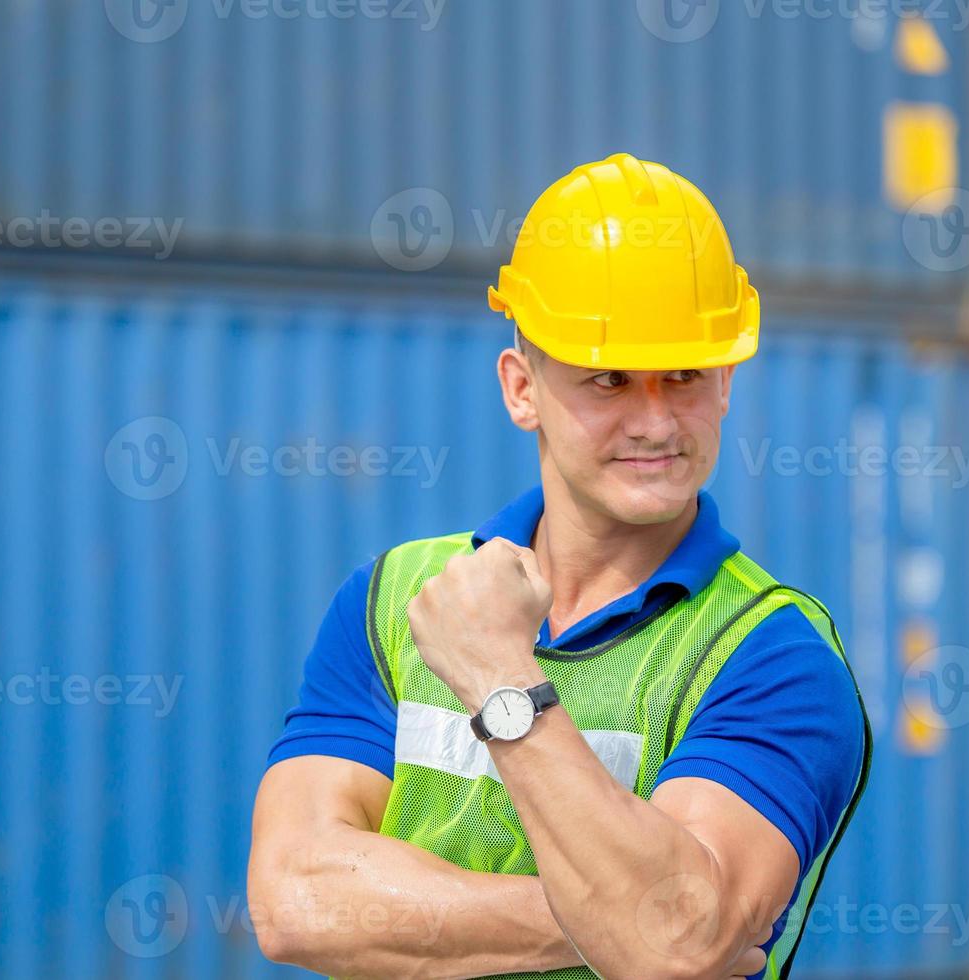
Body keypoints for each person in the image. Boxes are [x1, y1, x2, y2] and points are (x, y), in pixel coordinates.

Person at [248, 153, 871, 980]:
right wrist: (599, 912)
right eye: (609, 380)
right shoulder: (394, 600)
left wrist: (500, 679)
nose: (655, 421)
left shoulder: (774, 657)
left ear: (725, 382)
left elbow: (673, 950)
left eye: (683, 375)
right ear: (521, 388)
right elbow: (292, 903)